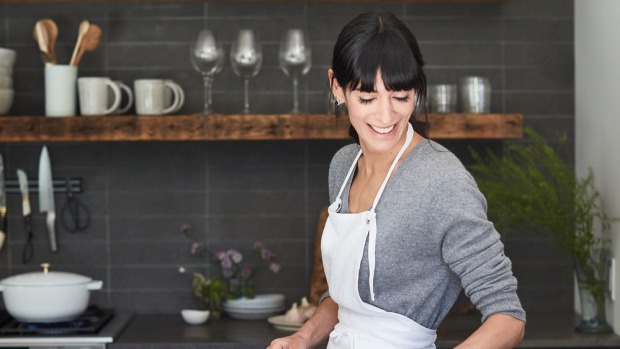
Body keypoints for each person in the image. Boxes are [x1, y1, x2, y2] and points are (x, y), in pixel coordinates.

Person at [268, 12, 525, 349]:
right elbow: (345, 299)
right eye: (367, 98)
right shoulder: (343, 166)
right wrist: (301, 339)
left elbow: (508, 317)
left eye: (401, 97)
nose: (386, 116)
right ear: (337, 87)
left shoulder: (441, 180)